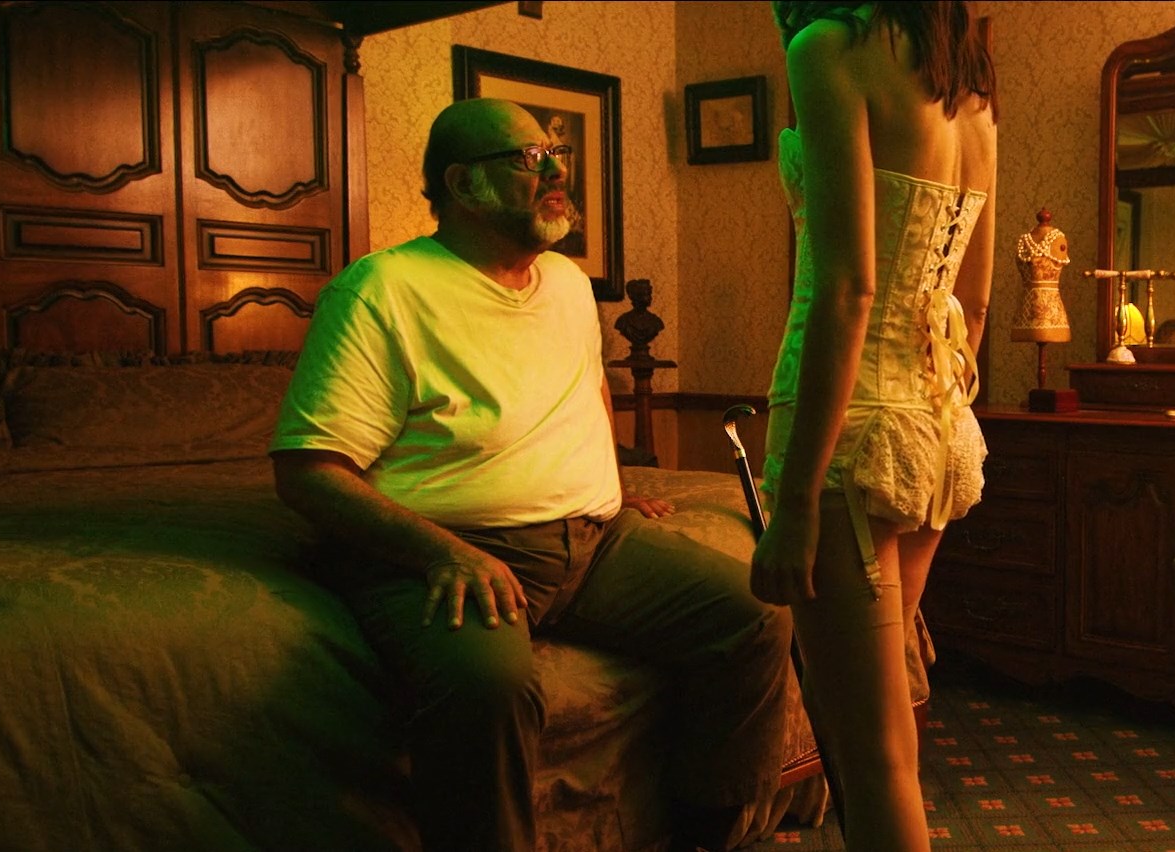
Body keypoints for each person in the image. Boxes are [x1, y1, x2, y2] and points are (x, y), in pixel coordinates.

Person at [270, 97, 792, 852]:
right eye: (527, 159)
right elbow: (307, 472)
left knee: (754, 614)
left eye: (555, 155)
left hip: (591, 544)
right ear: (463, 183)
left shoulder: (569, 284)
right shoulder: (382, 290)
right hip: (451, 547)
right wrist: (442, 552)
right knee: (487, 687)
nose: (554, 172)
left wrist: (609, 487)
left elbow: (585, 395)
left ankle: (708, 831)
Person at [755, 2, 997, 848]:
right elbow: (975, 301)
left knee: (871, 758)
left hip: (848, 432)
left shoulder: (828, 48)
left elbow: (849, 289)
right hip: (937, 425)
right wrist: (930, 414)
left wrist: (794, 501)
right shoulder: (966, 84)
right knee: (882, 732)